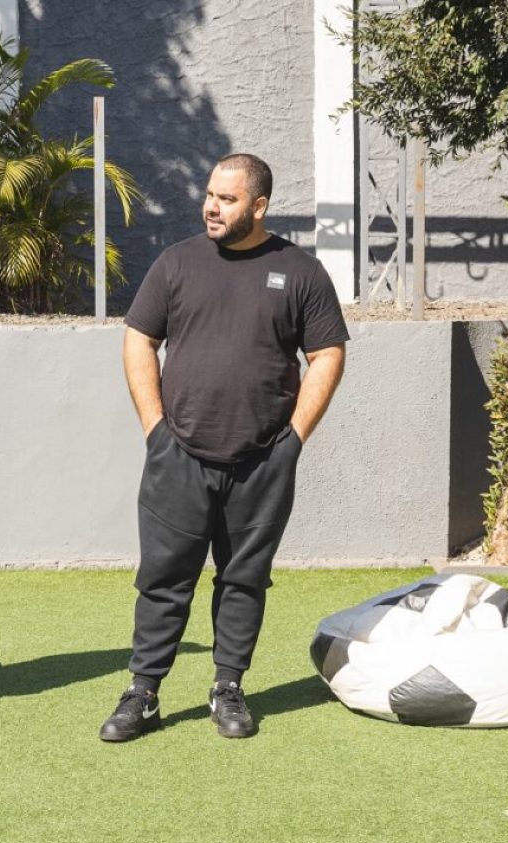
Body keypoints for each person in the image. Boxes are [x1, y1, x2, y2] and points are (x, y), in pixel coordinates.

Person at [100, 153, 348, 742]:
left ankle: (228, 687)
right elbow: (138, 338)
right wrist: (155, 428)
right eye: (210, 194)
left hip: (262, 461)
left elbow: (328, 355)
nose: (212, 206)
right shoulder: (177, 263)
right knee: (163, 579)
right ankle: (144, 691)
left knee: (244, 579)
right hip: (178, 457)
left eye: (228, 199)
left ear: (258, 207)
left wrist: (292, 440)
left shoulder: (301, 271)